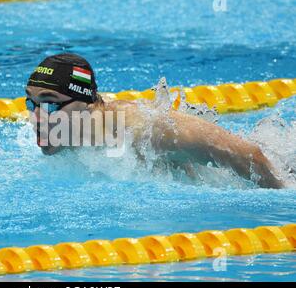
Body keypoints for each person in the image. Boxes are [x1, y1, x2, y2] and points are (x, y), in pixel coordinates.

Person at [25, 53, 285, 189]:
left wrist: (282, 194)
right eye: (31, 103)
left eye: (49, 104)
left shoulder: (142, 130)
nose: (36, 118)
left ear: (86, 103)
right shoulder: (68, 133)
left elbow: (250, 154)